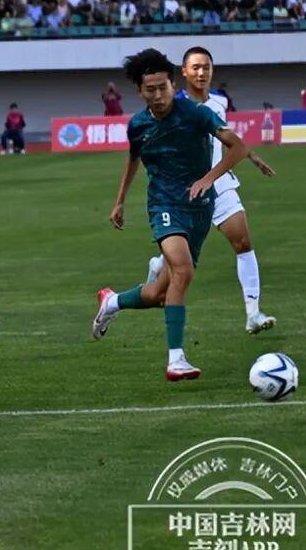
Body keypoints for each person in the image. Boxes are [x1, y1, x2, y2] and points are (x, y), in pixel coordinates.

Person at [92, 48, 250, 380]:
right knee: (183, 270)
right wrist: (119, 202)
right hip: (164, 205)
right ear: (139, 91)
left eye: (162, 88)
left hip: (200, 208)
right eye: (150, 90)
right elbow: (133, 160)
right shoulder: (138, 125)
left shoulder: (195, 114)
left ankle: (112, 302)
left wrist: (208, 179)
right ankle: (176, 359)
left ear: (172, 84)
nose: (158, 95)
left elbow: (238, 147)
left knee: (159, 294)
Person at [145, 47, 277, 334]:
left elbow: (225, 136)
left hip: (219, 181)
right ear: (184, 71)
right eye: (195, 67)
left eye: (206, 67)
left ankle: (253, 313)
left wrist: (251, 156)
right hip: (188, 189)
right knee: (183, 256)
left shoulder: (219, 102)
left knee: (243, 242)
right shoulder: (172, 105)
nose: (201, 72)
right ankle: (159, 264)